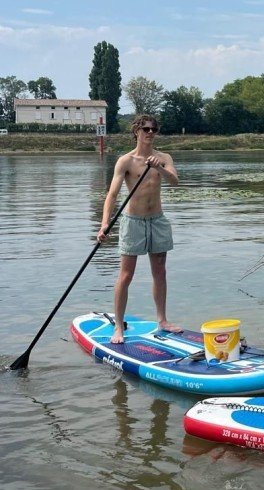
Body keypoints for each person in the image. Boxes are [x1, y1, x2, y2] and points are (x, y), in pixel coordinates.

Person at [97, 114, 181, 343]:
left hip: (157, 220)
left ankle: (162, 320)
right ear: (136, 132)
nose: (151, 133)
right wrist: (105, 223)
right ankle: (118, 328)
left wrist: (160, 168)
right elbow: (112, 195)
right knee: (126, 275)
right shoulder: (126, 161)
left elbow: (175, 181)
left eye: (154, 129)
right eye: (146, 129)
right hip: (133, 222)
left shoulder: (163, 157)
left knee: (160, 271)